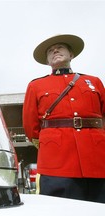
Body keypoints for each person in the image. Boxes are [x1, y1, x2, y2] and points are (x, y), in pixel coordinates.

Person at [23, 34, 105, 203]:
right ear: (47, 61)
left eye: (60, 47)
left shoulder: (93, 81)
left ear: (71, 54)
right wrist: (50, 142)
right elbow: (31, 126)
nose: (55, 51)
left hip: (97, 159)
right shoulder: (35, 86)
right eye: (50, 51)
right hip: (57, 162)